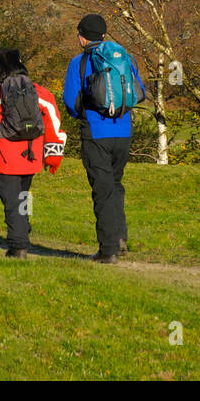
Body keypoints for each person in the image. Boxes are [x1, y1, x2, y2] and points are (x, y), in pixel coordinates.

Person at [63, 14, 145, 264]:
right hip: (123, 131)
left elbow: (70, 101)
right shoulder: (125, 58)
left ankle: (108, 250)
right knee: (115, 184)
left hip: (96, 132)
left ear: (82, 36)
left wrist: (84, 116)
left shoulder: (80, 61)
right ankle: (119, 238)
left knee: (102, 189)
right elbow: (138, 91)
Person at [0, 48, 66, 258]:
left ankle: (18, 246)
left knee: (12, 201)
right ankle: (24, 228)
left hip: (5, 157)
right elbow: (54, 122)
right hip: (32, 156)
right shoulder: (39, 91)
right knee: (24, 196)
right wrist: (53, 156)